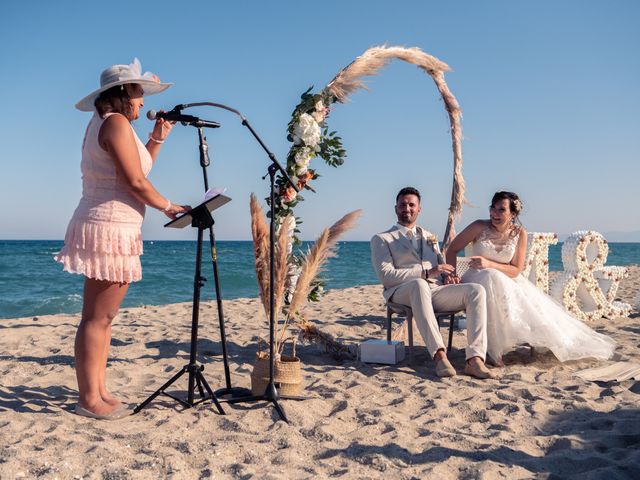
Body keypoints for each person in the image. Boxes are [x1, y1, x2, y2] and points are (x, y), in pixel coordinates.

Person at [55, 58, 190, 420]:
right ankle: (88, 398)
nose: (143, 101)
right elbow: (134, 182)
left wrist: (157, 138)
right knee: (96, 318)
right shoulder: (114, 123)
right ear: (123, 93)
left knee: (105, 316)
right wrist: (168, 206)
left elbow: (139, 166)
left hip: (114, 225)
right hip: (108, 226)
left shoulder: (112, 124)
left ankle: (98, 390)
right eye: (139, 92)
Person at [445, 191, 616, 365]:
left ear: (513, 214)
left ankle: (496, 347)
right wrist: (451, 274)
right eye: (493, 208)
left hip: (506, 280)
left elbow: (516, 270)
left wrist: (489, 264)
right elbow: (452, 249)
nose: (494, 213)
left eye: (501, 210)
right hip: (476, 278)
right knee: (491, 277)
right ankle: (492, 350)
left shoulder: (520, 233)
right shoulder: (478, 226)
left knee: (500, 280)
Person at [370, 187, 494, 379]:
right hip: (400, 292)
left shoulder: (430, 236)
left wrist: (447, 276)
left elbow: (440, 265)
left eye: (412, 205)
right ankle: (439, 356)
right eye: (403, 204)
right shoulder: (382, 239)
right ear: (396, 208)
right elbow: (387, 276)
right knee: (419, 285)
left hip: (433, 291)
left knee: (476, 290)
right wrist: (425, 272)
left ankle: (474, 359)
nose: (407, 208)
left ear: (419, 209)